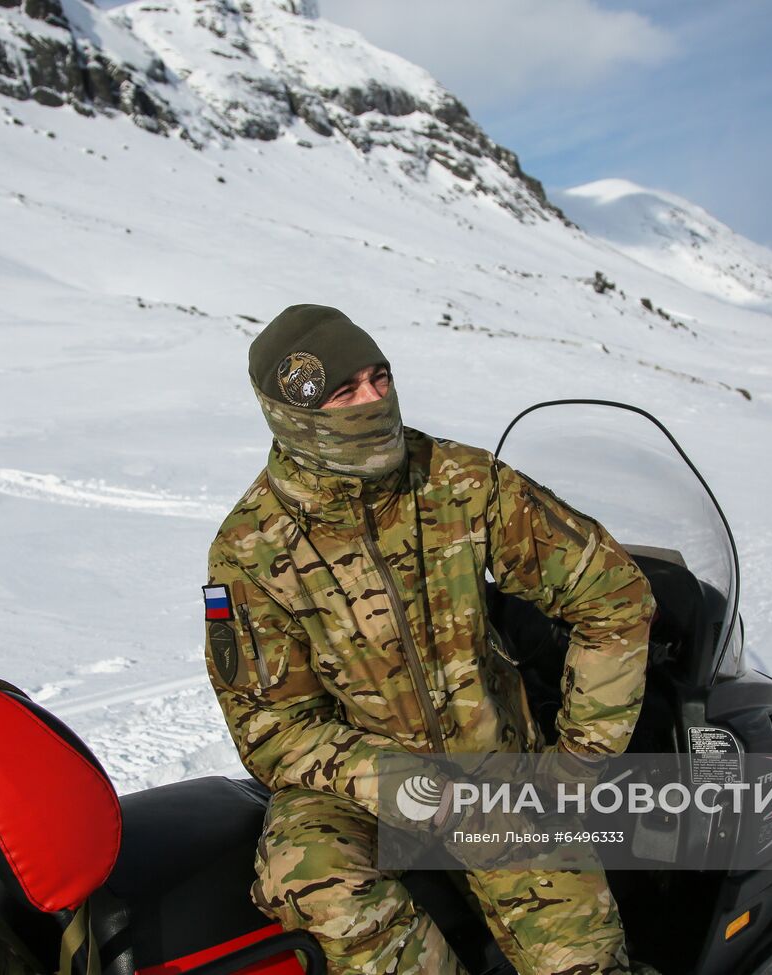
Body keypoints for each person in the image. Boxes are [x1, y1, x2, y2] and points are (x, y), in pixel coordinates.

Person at [202, 304, 656, 975]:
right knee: (308, 873)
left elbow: (612, 591)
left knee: (584, 962)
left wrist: (577, 766)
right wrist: (393, 781)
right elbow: (272, 726)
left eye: (379, 379)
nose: (374, 401)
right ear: (295, 416)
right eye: (345, 393)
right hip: (356, 792)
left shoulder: (460, 481)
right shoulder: (250, 549)